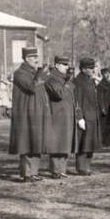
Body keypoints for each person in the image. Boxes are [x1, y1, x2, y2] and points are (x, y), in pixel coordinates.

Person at [9, 47, 52, 182]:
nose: (37, 60)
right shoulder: (20, 73)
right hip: (25, 114)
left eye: (37, 57)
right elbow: (32, 87)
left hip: (37, 112)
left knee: (37, 141)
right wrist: (42, 75)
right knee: (26, 143)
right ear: (27, 59)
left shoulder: (34, 72)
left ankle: (34, 172)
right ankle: (27, 174)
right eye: (34, 58)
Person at [44, 56, 76, 179]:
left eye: (67, 64)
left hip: (65, 115)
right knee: (57, 143)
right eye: (64, 64)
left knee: (65, 142)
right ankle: (56, 170)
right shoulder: (52, 78)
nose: (67, 67)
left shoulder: (62, 78)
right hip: (57, 115)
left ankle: (62, 169)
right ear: (57, 65)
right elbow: (59, 94)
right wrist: (68, 83)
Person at [72, 57, 103, 176]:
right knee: (83, 143)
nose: (93, 70)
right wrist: (79, 117)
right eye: (90, 68)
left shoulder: (90, 80)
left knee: (90, 143)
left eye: (93, 67)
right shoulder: (78, 82)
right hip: (85, 116)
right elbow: (77, 101)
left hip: (93, 116)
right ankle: (81, 167)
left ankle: (87, 166)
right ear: (83, 69)